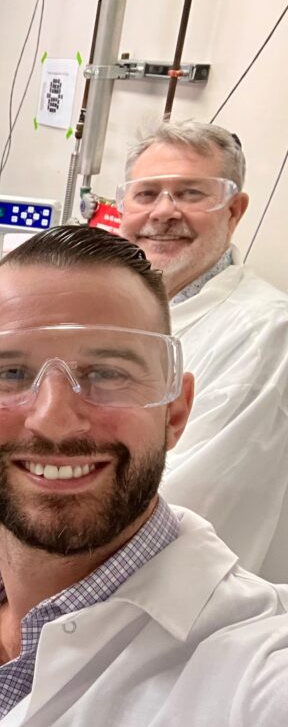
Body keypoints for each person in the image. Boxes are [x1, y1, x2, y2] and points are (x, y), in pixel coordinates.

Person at [0, 226, 288, 727]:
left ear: (175, 413)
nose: (53, 420)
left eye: (106, 372)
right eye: (8, 374)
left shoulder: (252, 679)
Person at [115, 120, 288, 581]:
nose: (164, 213)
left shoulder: (266, 335)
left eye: (192, 194)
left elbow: (188, 508)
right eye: (146, 194)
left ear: (235, 210)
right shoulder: (126, 311)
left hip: (186, 612)